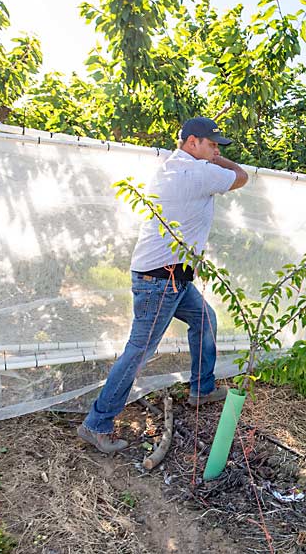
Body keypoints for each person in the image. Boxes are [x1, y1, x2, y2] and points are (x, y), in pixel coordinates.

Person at [77, 117, 249, 453]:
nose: (216, 150)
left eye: (217, 147)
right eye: (211, 144)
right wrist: (216, 160)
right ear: (191, 143)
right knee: (139, 352)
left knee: (205, 321)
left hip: (172, 277)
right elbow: (242, 177)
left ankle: (201, 388)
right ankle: (96, 423)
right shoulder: (195, 172)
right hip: (161, 280)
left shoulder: (174, 167)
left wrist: (211, 155)